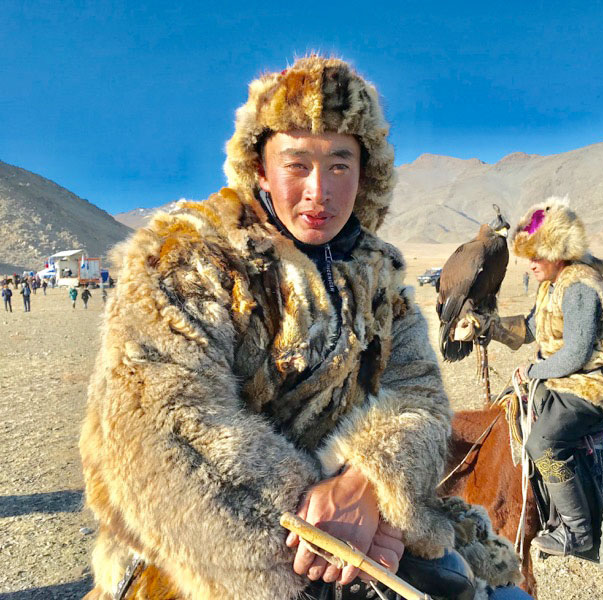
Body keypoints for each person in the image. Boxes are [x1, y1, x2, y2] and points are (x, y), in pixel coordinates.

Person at [80, 56, 529, 600]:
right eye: (297, 164)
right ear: (260, 169)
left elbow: (420, 397)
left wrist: (369, 482)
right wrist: (326, 536)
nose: (320, 190)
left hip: (368, 529)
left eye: (340, 164)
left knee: (504, 593)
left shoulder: (377, 273)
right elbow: (165, 432)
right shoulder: (185, 257)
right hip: (215, 554)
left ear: (366, 174)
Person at [479, 198, 603, 557]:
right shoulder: (553, 283)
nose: (530, 265)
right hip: (561, 382)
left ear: (558, 251)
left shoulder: (580, 286)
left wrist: (533, 370)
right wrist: (486, 328)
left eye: (537, 256)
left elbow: (576, 353)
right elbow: (533, 326)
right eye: (527, 256)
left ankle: (578, 530)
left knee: (543, 445)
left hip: (590, 387)